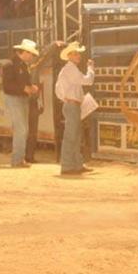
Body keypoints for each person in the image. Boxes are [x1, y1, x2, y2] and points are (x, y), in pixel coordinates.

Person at [55, 41, 95, 175]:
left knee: (75, 136)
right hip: (72, 105)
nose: (79, 56)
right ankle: (68, 165)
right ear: (69, 56)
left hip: (73, 104)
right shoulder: (70, 69)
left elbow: (59, 90)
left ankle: (76, 164)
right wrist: (91, 69)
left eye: (78, 53)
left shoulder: (69, 69)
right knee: (72, 136)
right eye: (76, 54)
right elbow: (88, 81)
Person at [1, 38, 39, 167]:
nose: (32, 56)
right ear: (25, 52)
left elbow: (18, 83)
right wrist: (25, 88)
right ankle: (17, 160)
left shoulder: (21, 65)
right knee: (21, 129)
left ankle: (19, 158)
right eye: (31, 54)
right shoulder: (10, 65)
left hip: (21, 98)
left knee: (23, 129)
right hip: (14, 99)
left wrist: (30, 87)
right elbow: (7, 86)